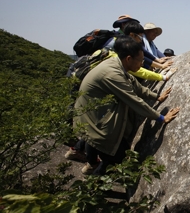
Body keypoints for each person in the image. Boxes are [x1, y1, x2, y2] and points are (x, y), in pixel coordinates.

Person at [74, 36, 180, 175]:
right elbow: (133, 99)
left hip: (93, 115)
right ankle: (95, 189)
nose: (142, 64)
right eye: (141, 60)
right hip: (94, 119)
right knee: (116, 158)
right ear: (129, 59)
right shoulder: (112, 73)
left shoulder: (117, 63)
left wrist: (156, 97)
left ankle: (93, 171)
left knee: (104, 150)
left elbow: (133, 84)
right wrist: (161, 118)